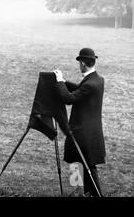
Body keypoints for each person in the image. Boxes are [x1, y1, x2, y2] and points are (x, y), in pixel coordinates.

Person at [53, 48, 106, 197]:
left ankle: (89, 194)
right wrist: (64, 82)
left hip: (82, 134)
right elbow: (80, 90)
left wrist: (58, 82)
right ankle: (84, 193)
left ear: (83, 63)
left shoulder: (90, 84)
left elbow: (68, 99)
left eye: (79, 63)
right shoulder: (97, 79)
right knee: (84, 165)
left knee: (83, 165)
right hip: (90, 132)